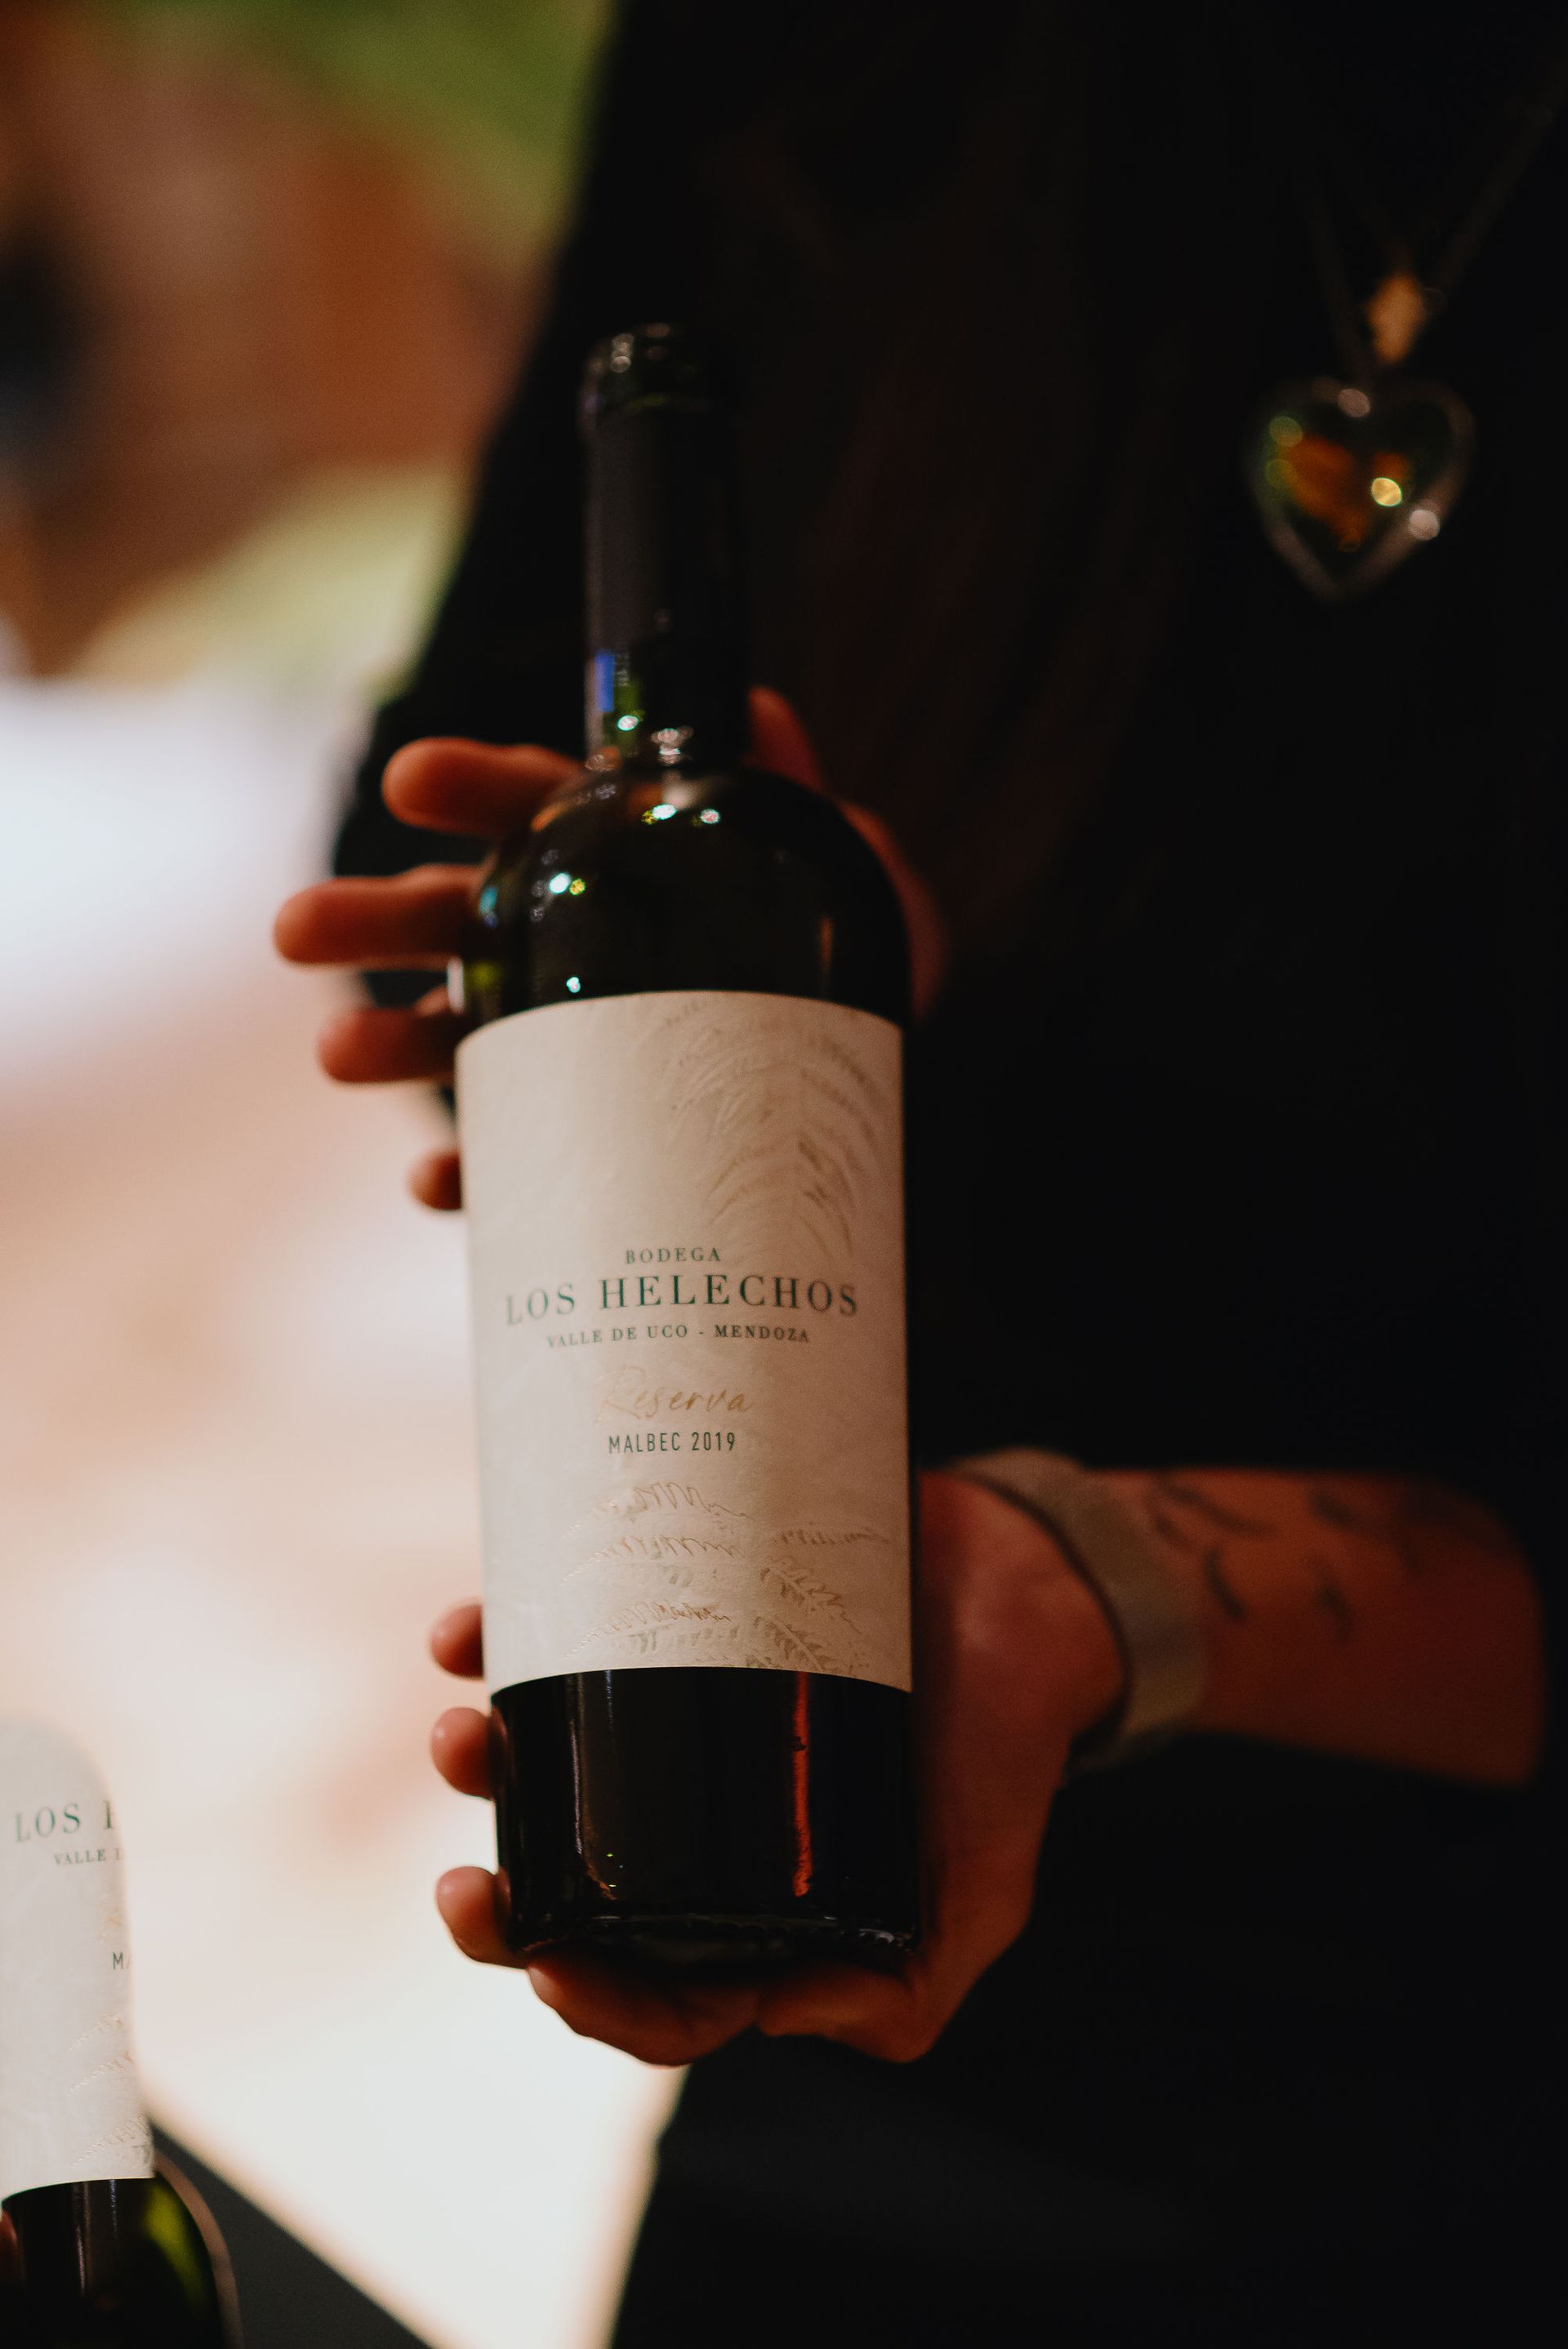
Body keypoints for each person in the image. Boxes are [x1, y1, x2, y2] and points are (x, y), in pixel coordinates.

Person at [275, 3, 1561, 2339]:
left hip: (1485, 2070)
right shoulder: (834, 63)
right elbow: (427, 810)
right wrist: (751, 971)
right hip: (869, 1866)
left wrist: (1102, 1575)